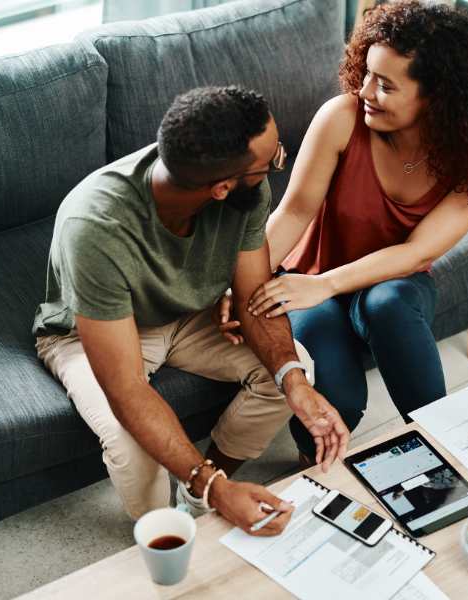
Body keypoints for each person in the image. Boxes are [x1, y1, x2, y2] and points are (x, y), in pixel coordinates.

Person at [32, 85, 349, 535]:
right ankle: (164, 532)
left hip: (186, 315)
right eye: (272, 161)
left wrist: (294, 385)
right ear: (221, 188)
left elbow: (254, 296)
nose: (278, 165)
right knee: (133, 446)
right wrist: (215, 488)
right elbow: (126, 388)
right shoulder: (95, 228)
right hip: (88, 334)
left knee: (297, 371)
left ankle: (200, 495)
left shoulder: (244, 192)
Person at [240, 1, 468, 462]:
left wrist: (324, 284)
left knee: (386, 302)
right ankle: (316, 471)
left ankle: (443, 449)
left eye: (386, 84)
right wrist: (247, 281)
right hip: (312, 280)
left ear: (436, 98)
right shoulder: (341, 118)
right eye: (367, 73)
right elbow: (293, 213)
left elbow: (414, 255)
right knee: (342, 403)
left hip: (392, 284)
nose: (365, 90)